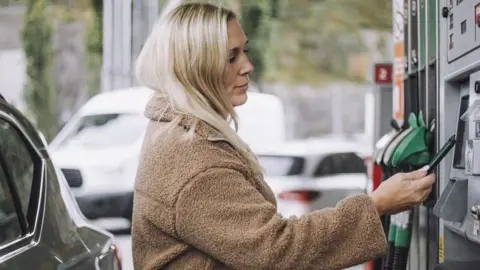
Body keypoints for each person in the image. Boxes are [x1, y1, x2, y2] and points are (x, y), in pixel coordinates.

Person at [131, 2, 436, 269]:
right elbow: (276, 250)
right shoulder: (194, 160)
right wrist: (377, 205)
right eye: (231, 57)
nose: (248, 66)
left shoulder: (173, 132)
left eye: (244, 51)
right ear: (195, 67)